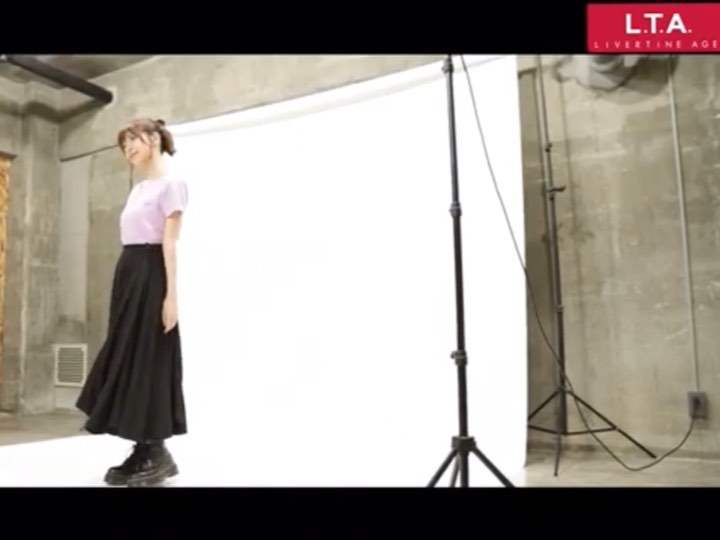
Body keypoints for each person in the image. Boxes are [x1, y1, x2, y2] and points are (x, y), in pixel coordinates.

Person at [76, 117, 189, 488]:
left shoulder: (173, 186)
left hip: (151, 272)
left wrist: (171, 296)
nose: (128, 150)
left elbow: (169, 244)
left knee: (148, 355)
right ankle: (143, 447)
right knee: (127, 353)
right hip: (128, 271)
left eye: (133, 141)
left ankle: (155, 449)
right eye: (124, 145)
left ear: (154, 139)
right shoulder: (138, 189)